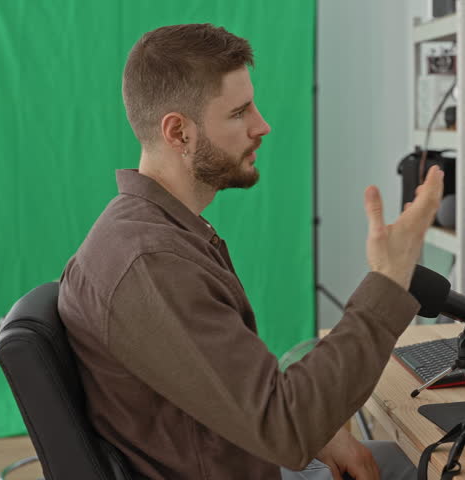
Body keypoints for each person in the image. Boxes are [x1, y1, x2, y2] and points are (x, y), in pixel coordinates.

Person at [57, 23, 443, 480]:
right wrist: (389, 280)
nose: (262, 125)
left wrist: (319, 434)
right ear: (178, 133)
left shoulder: (154, 233)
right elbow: (286, 427)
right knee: (435, 466)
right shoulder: (153, 262)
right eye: (240, 112)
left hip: (235, 453)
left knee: (403, 461)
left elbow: (229, 394)